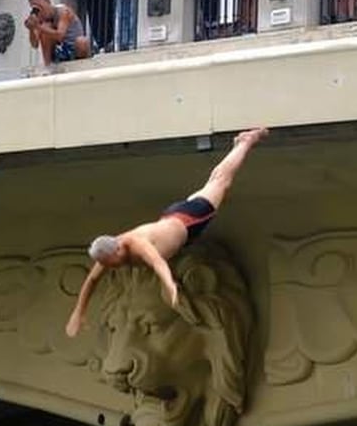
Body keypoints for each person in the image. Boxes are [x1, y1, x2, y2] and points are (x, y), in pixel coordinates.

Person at [65, 127, 269, 337]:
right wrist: (78, 312)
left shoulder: (136, 243)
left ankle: (246, 142)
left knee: (221, 181)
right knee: (215, 180)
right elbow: (91, 281)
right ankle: (238, 146)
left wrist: (169, 284)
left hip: (190, 220)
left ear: (116, 251)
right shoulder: (107, 253)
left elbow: (157, 262)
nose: (111, 268)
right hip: (173, 217)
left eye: (111, 264)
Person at [24, 0, 91, 66]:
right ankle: (48, 66)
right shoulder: (40, 19)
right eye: (34, 7)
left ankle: (82, 66)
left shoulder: (63, 11)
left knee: (82, 41)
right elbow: (34, 44)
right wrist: (31, 29)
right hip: (59, 52)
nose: (38, 10)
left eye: (39, 5)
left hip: (74, 49)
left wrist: (38, 26)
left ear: (47, 1)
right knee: (46, 28)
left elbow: (60, 35)